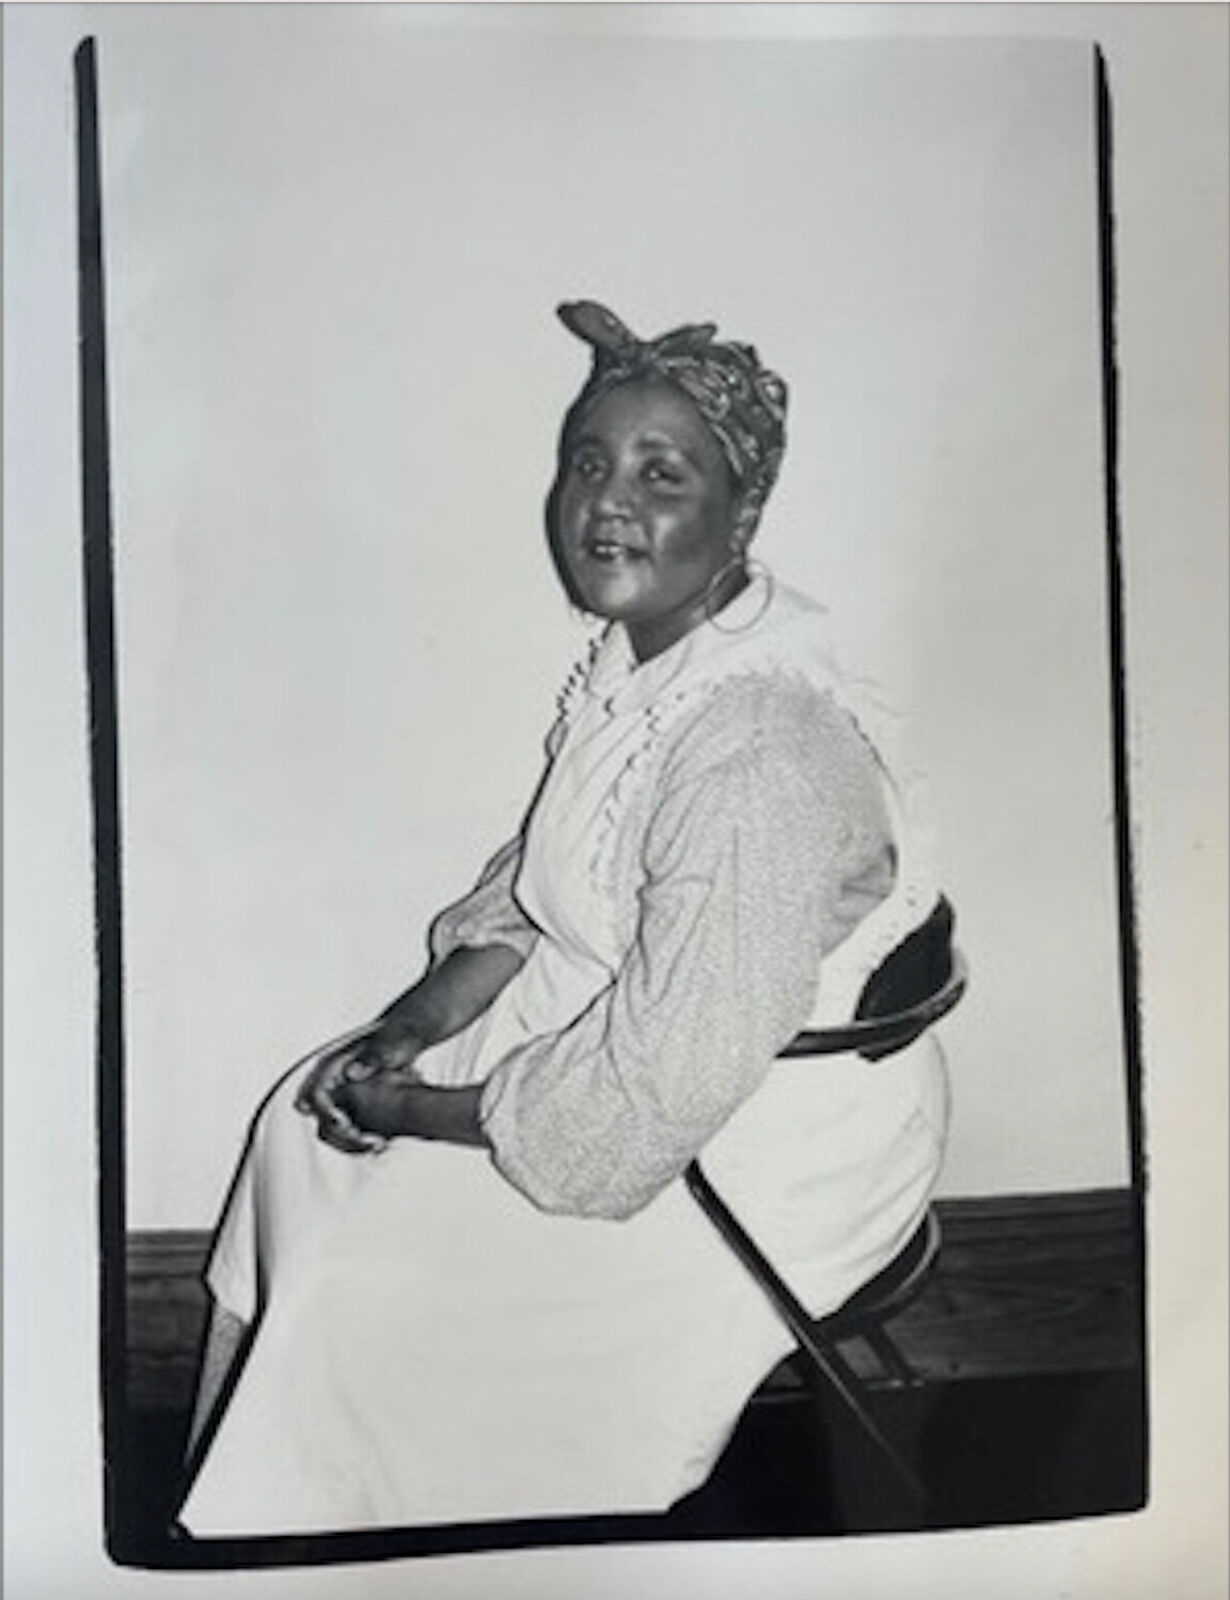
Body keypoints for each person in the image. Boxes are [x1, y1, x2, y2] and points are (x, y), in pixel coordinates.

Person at [176, 301, 950, 1536]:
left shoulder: (758, 745)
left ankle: (357, 1520)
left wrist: (415, 1110)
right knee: (300, 1118)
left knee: (366, 1291)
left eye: (661, 473)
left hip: (761, 1140)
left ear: (739, 514)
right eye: (588, 462)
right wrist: (402, 1029)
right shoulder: (650, 660)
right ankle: (265, 1465)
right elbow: (547, 882)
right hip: (650, 1042)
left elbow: (658, 1089)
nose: (607, 501)